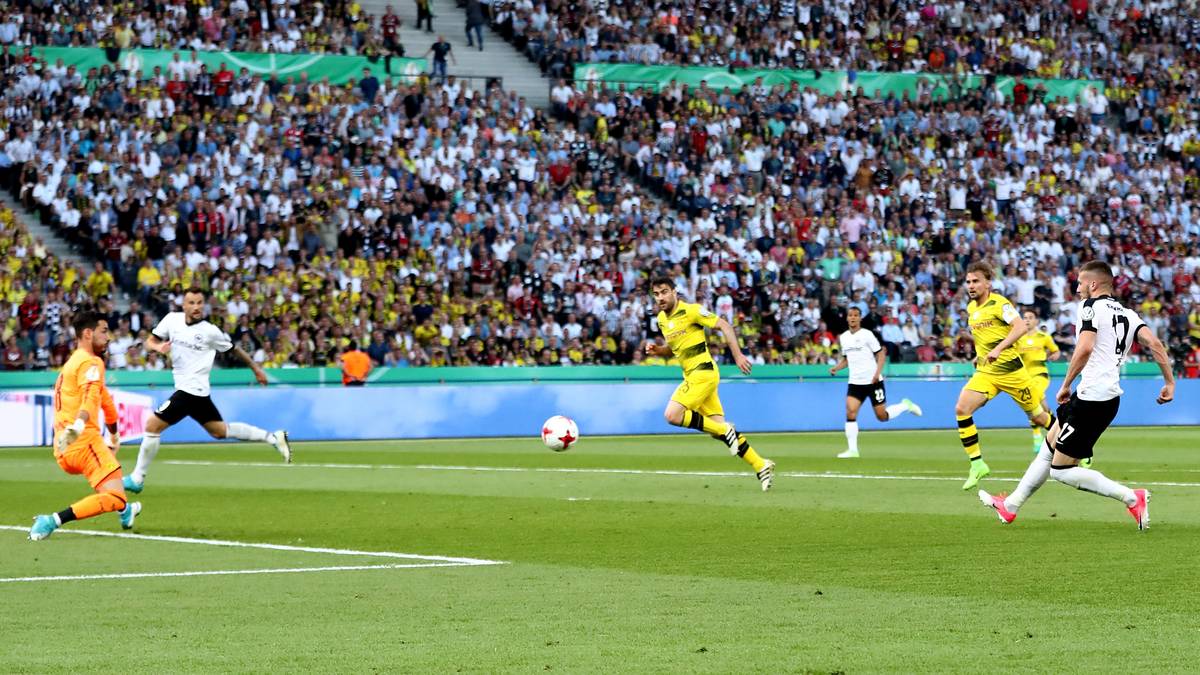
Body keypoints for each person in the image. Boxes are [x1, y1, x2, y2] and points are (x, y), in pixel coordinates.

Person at [980, 262, 1173, 529]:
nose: (1078, 287)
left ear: (1093, 284)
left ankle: (1132, 498)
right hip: (1098, 395)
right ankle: (1010, 506)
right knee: (1048, 448)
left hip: (1093, 398)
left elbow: (1084, 348)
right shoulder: (1128, 314)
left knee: (1061, 471)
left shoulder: (1090, 307)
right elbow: (1154, 344)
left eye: (1081, 282)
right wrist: (1170, 382)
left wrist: (1066, 384)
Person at [124, 287, 292, 494]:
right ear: (183, 305)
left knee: (151, 426)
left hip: (190, 391)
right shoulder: (171, 320)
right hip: (197, 394)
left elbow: (234, 349)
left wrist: (256, 368)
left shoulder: (210, 331)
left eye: (200, 302)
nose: (196, 307)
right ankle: (273, 438)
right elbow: (150, 341)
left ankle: (137, 479)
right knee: (219, 431)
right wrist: (158, 348)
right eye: (192, 303)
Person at [642, 276, 775, 491]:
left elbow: (724, 325)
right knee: (717, 429)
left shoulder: (692, 311)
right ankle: (760, 464)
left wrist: (738, 355)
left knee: (672, 415)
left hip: (703, 372)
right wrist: (659, 351)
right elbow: (674, 348)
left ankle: (726, 431)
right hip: (693, 376)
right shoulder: (662, 320)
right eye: (656, 294)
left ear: (675, 291)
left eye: (664, 292)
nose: (660, 298)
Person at [29, 311, 141, 540]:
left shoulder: (72, 363)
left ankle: (126, 511)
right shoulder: (91, 362)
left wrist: (114, 436)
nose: (108, 337)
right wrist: (80, 425)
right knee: (115, 497)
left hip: (63, 449)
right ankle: (51, 520)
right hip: (83, 442)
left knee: (113, 486)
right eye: (104, 331)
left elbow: (105, 401)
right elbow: (90, 398)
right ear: (88, 333)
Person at [954, 262, 1053, 490]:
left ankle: (1078, 445)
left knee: (1039, 417)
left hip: (1012, 372)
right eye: (968, 282)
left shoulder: (1000, 304)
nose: (971, 285)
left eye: (976, 281)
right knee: (962, 408)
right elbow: (983, 339)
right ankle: (977, 464)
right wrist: (980, 356)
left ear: (988, 283)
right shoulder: (971, 309)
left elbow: (1019, 327)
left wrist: (998, 349)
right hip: (986, 372)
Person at [829, 306, 922, 458]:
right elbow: (847, 359)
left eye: (856, 315)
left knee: (881, 417)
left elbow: (881, 354)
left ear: (860, 318)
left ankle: (906, 405)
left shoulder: (867, 335)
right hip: (855, 382)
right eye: (850, 315)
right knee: (850, 411)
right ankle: (853, 450)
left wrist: (877, 374)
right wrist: (836, 368)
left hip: (873, 381)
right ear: (847, 318)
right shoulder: (844, 337)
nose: (852, 318)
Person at [1016, 309, 1061, 453]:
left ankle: (1036, 436)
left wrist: (1054, 356)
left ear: (1036, 321)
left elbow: (1056, 351)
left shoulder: (1044, 337)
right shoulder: (1017, 338)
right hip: (1024, 376)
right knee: (1043, 407)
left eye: (1030, 317)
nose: (1027, 320)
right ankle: (1054, 424)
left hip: (1040, 374)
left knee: (1032, 398)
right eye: (1025, 318)